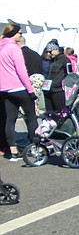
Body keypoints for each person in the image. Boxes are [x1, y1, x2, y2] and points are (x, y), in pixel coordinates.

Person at [0, 23, 37, 160]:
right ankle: (35, 147)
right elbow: (21, 71)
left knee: (10, 119)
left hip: (5, 89)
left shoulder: (1, 48)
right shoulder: (14, 48)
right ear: (13, 33)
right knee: (31, 117)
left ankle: (13, 151)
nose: (21, 35)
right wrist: (30, 90)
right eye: (20, 33)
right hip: (19, 87)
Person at [42, 41, 70, 112]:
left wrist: (62, 84)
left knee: (60, 111)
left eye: (50, 51)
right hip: (48, 89)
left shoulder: (65, 60)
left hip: (58, 90)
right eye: (47, 52)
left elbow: (69, 75)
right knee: (50, 112)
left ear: (56, 50)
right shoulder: (51, 60)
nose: (49, 54)